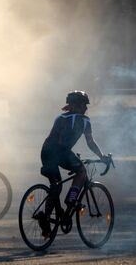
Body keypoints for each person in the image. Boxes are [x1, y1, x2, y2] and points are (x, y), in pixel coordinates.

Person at [37, 90, 107, 235]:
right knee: (81, 171)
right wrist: (102, 157)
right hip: (61, 152)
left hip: (46, 151)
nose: (86, 108)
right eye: (84, 105)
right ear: (76, 105)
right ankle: (72, 199)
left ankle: (45, 217)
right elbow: (90, 143)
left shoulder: (60, 117)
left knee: (55, 187)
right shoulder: (84, 120)